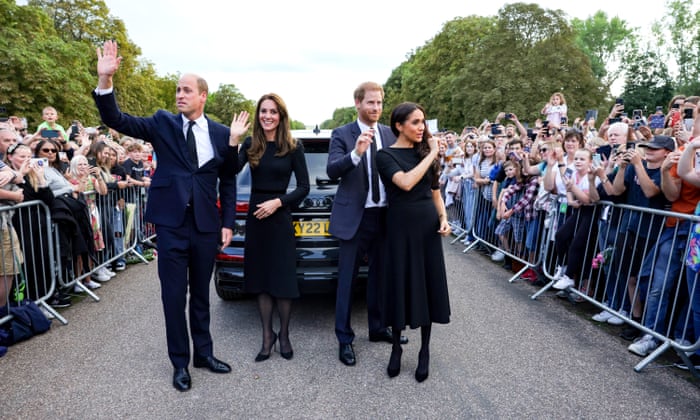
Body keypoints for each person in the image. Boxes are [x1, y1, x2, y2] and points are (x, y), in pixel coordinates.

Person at [92, 40, 237, 391]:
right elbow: (116, 119)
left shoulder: (220, 133)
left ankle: (204, 353)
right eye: (177, 90)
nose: (179, 95)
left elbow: (228, 181)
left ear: (203, 96)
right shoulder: (162, 124)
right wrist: (105, 82)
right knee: (174, 296)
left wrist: (228, 223)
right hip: (171, 225)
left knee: (202, 294)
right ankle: (179, 363)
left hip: (205, 226)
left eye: (186, 90)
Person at [326, 81, 407, 367]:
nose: (376, 107)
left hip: (384, 216)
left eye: (380, 102)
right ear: (358, 103)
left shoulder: (389, 132)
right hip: (354, 218)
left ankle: (377, 328)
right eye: (371, 102)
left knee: (380, 277)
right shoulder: (341, 134)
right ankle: (344, 339)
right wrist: (356, 153)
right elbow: (332, 170)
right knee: (347, 280)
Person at [228, 94, 310, 362]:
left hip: (279, 216)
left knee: (282, 280)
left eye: (273, 112)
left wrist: (278, 202)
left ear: (281, 116)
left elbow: (303, 187)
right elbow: (228, 171)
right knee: (261, 280)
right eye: (263, 111)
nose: (267, 116)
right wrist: (234, 140)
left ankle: (284, 335)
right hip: (256, 218)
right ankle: (267, 336)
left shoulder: (293, 147)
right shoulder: (252, 144)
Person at [376, 102, 451, 382]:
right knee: (400, 284)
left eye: (423, 122)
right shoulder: (385, 155)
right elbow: (406, 183)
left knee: (428, 285)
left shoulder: (425, 154)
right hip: (399, 228)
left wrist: (443, 218)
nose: (422, 128)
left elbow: (435, 193)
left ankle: (425, 351)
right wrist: (432, 153)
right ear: (399, 125)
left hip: (427, 227)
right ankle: (396, 347)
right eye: (416, 122)